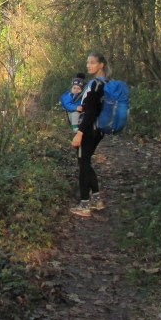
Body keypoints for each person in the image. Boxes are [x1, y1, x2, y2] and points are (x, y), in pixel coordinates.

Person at [70, 53, 108, 217]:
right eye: (87, 62)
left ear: (101, 65)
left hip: (89, 129)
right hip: (98, 130)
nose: (88, 65)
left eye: (92, 63)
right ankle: (97, 200)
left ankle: (85, 205)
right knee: (86, 162)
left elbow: (91, 112)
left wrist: (80, 132)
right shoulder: (105, 82)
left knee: (83, 164)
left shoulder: (95, 85)